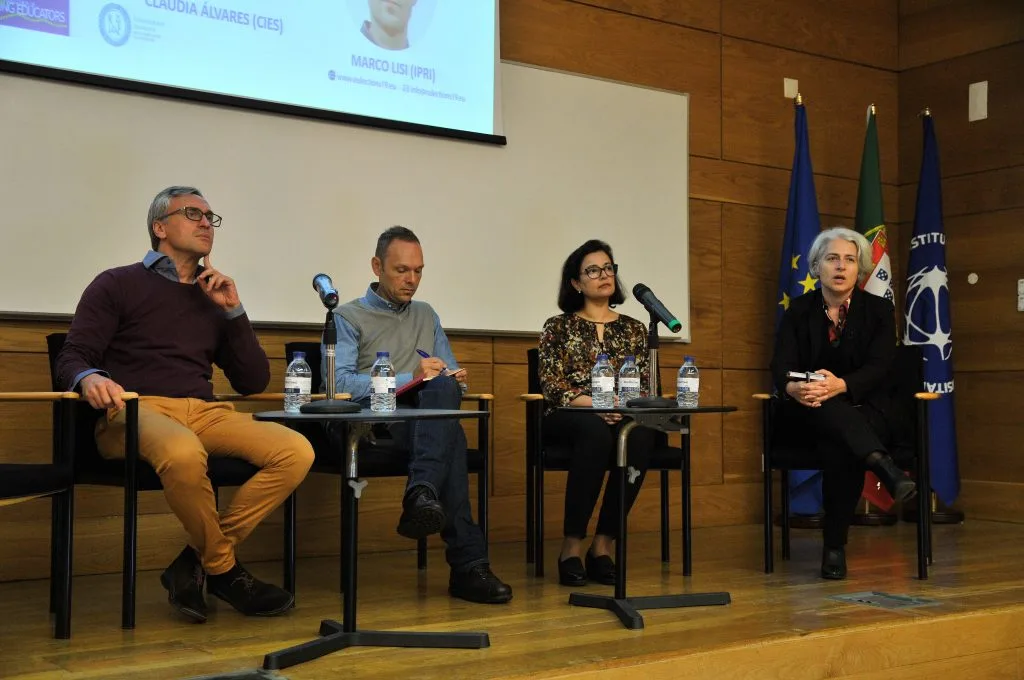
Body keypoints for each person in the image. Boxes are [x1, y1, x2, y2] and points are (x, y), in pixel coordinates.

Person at [55, 186, 314, 622]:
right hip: (136, 409)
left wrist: (233, 311)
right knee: (182, 451)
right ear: (160, 227)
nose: (204, 223)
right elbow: (72, 356)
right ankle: (225, 571)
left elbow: (252, 381)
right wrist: (91, 377)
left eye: (210, 218)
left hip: (203, 410)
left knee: (296, 450)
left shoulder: (213, 296)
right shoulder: (116, 283)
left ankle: (196, 562)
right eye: (192, 213)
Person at [326, 225, 512, 604]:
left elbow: (448, 374)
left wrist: (454, 376)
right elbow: (340, 383)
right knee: (451, 438)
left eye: (419, 271)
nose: (412, 280)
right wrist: (410, 378)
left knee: (443, 396)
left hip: (422, 419)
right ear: (377, 266)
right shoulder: (347, 316)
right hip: (375, 423)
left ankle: (422, 493)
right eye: (401, 270)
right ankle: (468, 566)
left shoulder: (427, 314)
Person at [771, 226, 916, 580]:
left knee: (841, 440)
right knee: (835, 423)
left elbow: (880, 366)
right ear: (816, 266)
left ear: (860, 269)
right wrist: (793, 388)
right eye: (832, 258)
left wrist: (841, 385)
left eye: (849, 260)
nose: (840, 266)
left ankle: (834, 546)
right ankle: (881, 467)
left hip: (867, 408)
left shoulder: (879, 310)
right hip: (809, 408)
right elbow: (781, 366)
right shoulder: (798, 310)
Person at [538, 239, 657, 587]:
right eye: (593, 270)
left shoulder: (634, 328)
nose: (604, 275)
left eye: (608, 268)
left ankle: (603, 545)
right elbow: (552, 386)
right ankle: (571, 547)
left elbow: (646, 385)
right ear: (576, 283)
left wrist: (621, 406)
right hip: (571, 413)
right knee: (594, 433)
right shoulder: (558, 327)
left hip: (621, 413)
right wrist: (598, 405)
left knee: (640, 433)